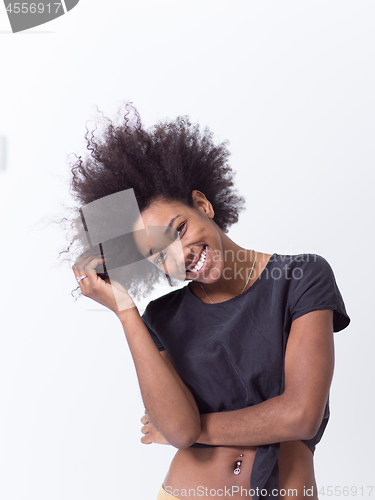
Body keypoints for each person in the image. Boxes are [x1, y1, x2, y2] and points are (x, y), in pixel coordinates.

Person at [70, 104, 350, 499]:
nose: (178, 254)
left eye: (178, 230)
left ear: (202, 204)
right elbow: (179, 432)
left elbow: (301, 416)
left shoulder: (301, 278)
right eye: (156, 253)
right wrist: (125, 311)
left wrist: (197, 427)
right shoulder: (161, 317)